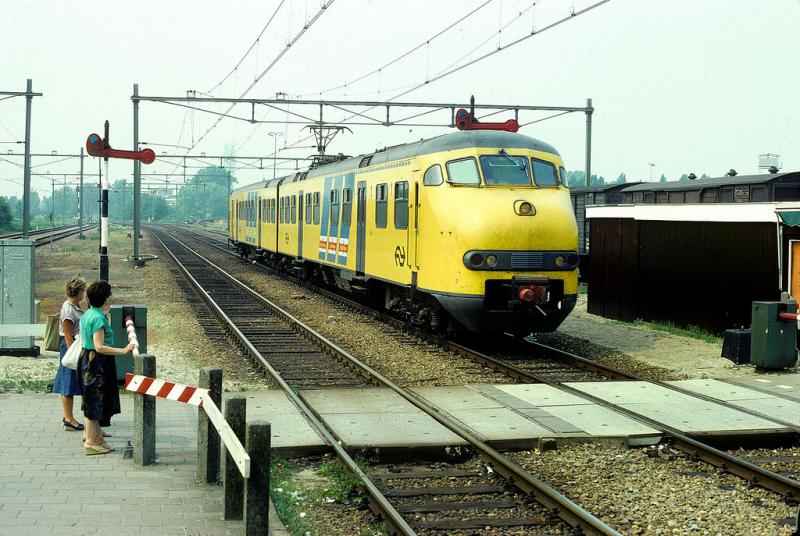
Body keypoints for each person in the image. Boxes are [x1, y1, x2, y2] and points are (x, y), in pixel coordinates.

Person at [78, 281, 134, 455]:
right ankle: (90, 442)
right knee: (94, 401)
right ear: (105, 298)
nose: (111, 297)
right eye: (109, 295)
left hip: (87, 359)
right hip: (97, 363)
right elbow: (99, 346)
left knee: (91, 400)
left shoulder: (88, 314)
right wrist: (123, 350)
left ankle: (97, 438)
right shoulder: (98, 318)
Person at [52, 277, 86, 432]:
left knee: (71, 382)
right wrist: (74, 354)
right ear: (78, 292)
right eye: (83, 291)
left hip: (74, 346)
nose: (84, 294)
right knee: (68, 382)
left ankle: (69, 417)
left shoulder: (75, 306)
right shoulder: (68, 310)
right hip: (70, 348)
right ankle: (68, 419)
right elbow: (67, 335)